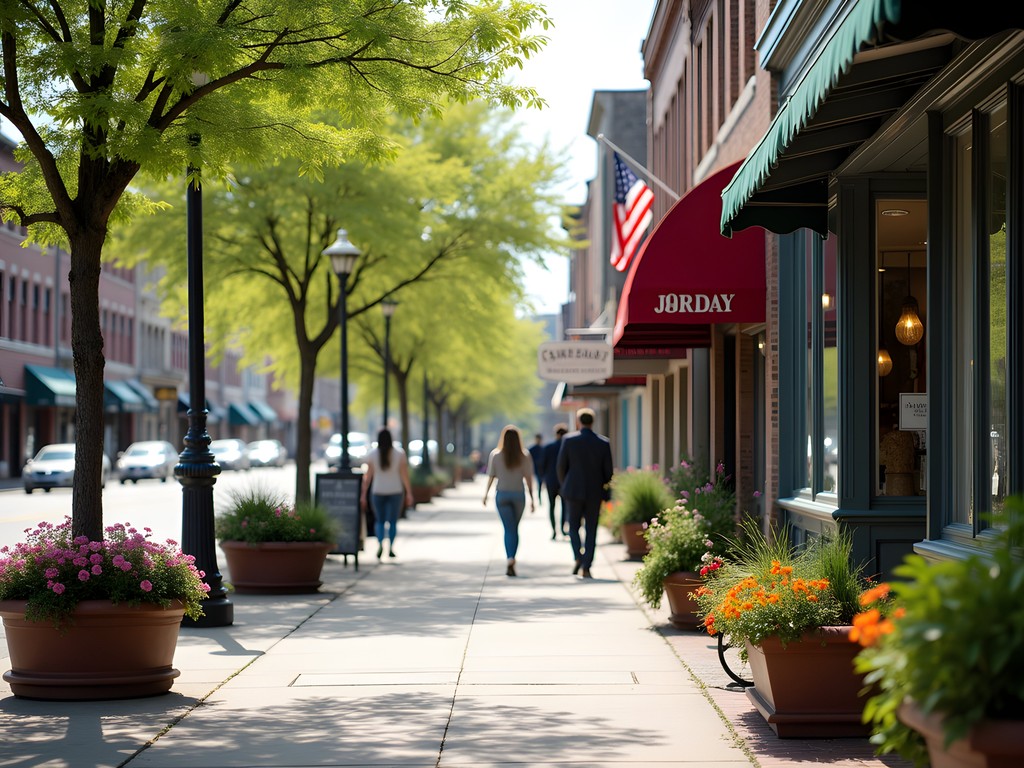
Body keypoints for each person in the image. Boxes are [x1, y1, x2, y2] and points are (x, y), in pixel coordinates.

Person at [556, 407, 613, 579]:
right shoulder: (603, 443)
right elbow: (608, 472)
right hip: (594, 492)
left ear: (579, 422)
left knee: (573, 527)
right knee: (591, 529)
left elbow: (560, 467)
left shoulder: (569, 440)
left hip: (573, 490)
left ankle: (578, 558)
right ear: (592, 422)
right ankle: (587, 565)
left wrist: (565, 484)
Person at [482, 425, 536, 577]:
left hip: (502, 496)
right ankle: (512, 558)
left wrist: (486, 494)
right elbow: (529, 479)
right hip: (518, 495)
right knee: (514, 529)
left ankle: (510, 558)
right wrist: (532, 498)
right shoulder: (524, 455)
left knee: (508, 529)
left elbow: (491, 476)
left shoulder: (496, 455)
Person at [360, 429, 413, 560]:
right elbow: (404, 475)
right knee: (393, 522)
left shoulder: (372, 454)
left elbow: (368, 477)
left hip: (377, 491)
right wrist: (409, 493)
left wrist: (363, 494)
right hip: (396, 491)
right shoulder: (399, 454)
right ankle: (391, 548)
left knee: (379, 521)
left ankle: (380, 545)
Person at [540, 423, 569, 540]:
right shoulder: (568, 446)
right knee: (564, 506)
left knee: (551, 506)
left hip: (551, 480)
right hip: (565, 481)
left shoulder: (548, 447)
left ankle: (554, 530)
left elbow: (542, 464)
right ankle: (562, 528)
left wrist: (543, 479)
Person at [527, 433, 545, 505]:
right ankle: (533, 498)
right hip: (533, 469)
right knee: (532, 484)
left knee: (540, 484)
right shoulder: (532, 449)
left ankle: (539, 498)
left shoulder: (543, 449)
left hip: (540, 470)